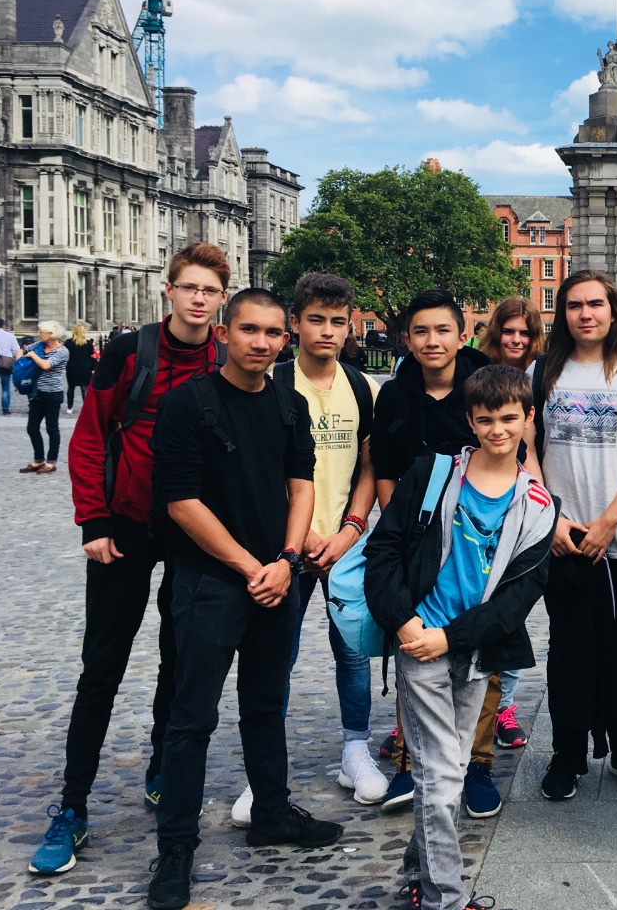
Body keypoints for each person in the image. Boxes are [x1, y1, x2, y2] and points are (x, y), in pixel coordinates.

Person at [30, 245, 229, 877]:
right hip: (125, 526)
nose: (199, 299)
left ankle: (161, 764)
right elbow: (91, 436)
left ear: (222, 297)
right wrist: (93, 517)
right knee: (103, 665)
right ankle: (72, 804)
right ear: (168, 291)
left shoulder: (226, 357)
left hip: (191, 530)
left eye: (210, 290)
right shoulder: (129, 353)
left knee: (181, 652)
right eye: (188, 287)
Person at [146, 288, 342, 910]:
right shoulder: (187, 404)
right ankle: (175, 847)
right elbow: (182, 502)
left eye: (273, 333)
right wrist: (252, 566)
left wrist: (286, 560)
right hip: (210, 582)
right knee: (191, 717)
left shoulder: (287, 402)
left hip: (276, 577)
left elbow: (302, 482)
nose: (262, 342)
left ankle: (272, 812)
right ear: (225, 333)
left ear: (285, 338)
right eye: (250, 330)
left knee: (265, 702)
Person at [364, 364, 554, 910]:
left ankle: (416, 880)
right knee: (444, 776)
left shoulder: (538, 507)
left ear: (527, 419)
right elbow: (384, 551)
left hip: (469, 650)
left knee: (439, 774)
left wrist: (451, 638)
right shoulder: (433, 475)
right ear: (470, 421)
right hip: (417, 640)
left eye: (509, 419)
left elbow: (516, 602)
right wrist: (404, 623)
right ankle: (446, 897)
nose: (498, 430)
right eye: (486, 419)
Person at [227, 274, 386, 826]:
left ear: (350, 326)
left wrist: (350, 529)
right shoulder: (269, 383)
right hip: (284, 545)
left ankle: (355, 749)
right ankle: (263, 773)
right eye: (316, 319)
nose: (327, 331)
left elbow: (370, 465)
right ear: (295, 323)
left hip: (345, 541)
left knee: (353, 651)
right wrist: (302, 538)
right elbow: (262, 469)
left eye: (338, 322)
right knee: (276, 656)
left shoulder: (363, 386)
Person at [528, 271, 617, 801]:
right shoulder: (545, 370)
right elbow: (526, 448)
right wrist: (553, 518)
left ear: (613, 311)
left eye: (595, 304)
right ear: (562, 313)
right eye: (573, 305)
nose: (585, 314)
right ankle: (567, 752)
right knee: (567, 650)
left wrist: (610, 520)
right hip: (562, 536)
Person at [370, 289, 491, 812]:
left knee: (482, 653)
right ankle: (410, 762)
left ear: (461, 335)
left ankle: (478, 764)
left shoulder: (485, 381)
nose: (432, 341)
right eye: (421, 332)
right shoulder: (395, 395)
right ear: (407, 340)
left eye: (442, 330)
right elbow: (386, 471)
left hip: (476, 533)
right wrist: (400, 537)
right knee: (413, 647)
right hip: (416, 539)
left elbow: (511, 449)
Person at [459, 296, 546, 818]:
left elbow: (529, 447)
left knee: (504, 628)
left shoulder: (537, 378)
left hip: (516, 506)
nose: (516, 340)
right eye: (507, 332)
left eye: (524, 333)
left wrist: (536, 501)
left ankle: (487, 741)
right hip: (467, 505)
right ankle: (413, 751)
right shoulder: (474, 371)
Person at [19, 322, 71, 474]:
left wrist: (33, 355)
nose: (39, 333)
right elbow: (21, 351)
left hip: (52, 394)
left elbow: (46, 365)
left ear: (51, 334)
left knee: (51, 428)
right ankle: (38, 459)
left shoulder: (62, 351)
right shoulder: (39, 345)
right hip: (36, 393)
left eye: (41, 332)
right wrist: (20, 363)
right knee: (32, 427)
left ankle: (51, 462)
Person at [65, 323, 96, 412]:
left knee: (71, 388)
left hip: (72, 367)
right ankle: (85, 407)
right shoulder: (88, 343)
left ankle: (69, 407)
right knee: (84, 388)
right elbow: (91, 353)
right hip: (85, 367)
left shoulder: (68, 342)